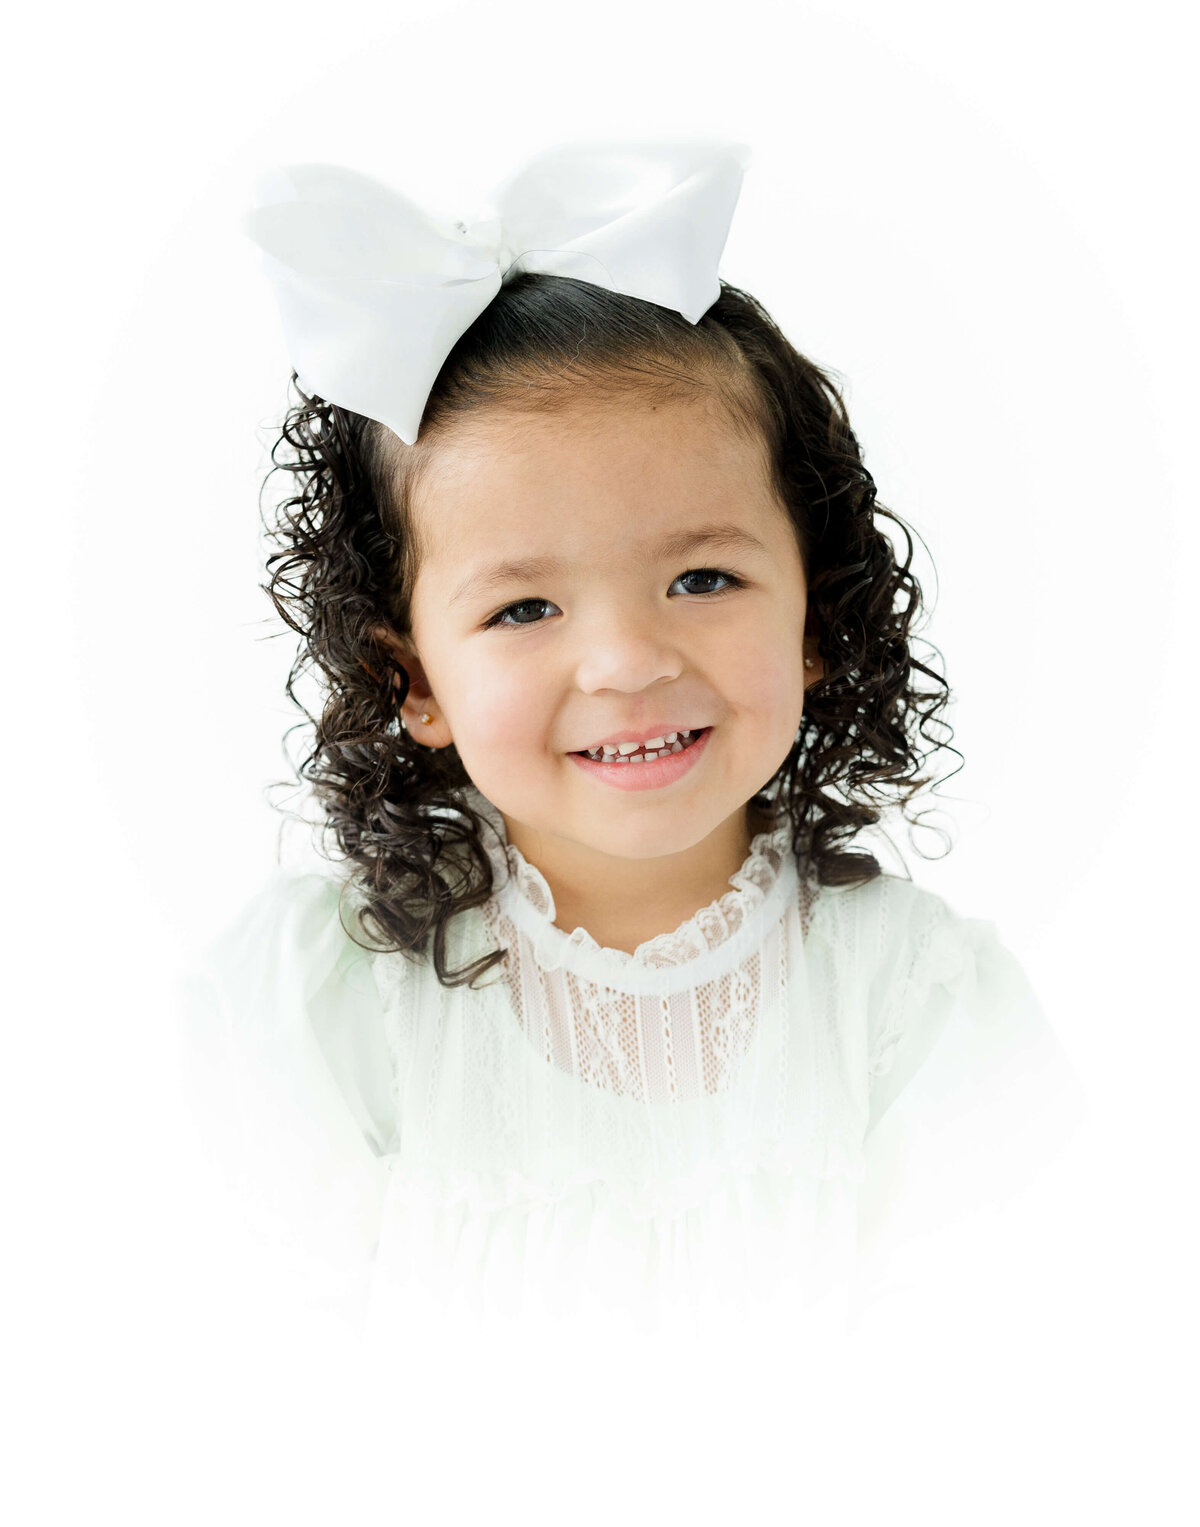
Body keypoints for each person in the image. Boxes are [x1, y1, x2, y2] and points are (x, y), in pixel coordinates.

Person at [175, 139, 1087, 1350]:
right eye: (524, 610)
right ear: (415, 680)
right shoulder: (324, 1004)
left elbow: (1000, 1363)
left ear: (817, 608)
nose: (627, 661)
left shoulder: (914, 1005)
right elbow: (246, 1371)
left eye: (702, 577)